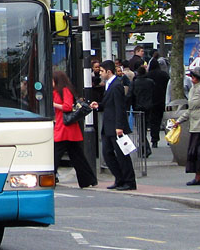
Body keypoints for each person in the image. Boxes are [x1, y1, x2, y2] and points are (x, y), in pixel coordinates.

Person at [89, 60, 136, 191]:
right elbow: (109, 104)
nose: (100, 73)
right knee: (107, 153)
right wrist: (99, 105)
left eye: (102, 71)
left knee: (121, 154)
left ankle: (129, 181)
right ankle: (119, 178)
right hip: (108, 125)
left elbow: (120, 107)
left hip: (115, 126)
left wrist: (119, 126)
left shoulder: (116, 86)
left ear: (108, 72)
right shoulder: (110, 85)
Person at [51, 70, 97, 189]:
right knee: (77, 156)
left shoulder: (64, 91)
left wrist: (54, 105)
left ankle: (51, 176)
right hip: (67, 127)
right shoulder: (59, 91)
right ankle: (88, 180)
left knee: (55, 154)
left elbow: (67, 107)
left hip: (64, 127)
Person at [173, 68, 200, 185]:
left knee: (199, 152)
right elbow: (190, 109)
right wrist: (179, 121)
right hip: (194, 125)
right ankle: (198, 176)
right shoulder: (192, 89)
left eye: (194, 77)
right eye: (191, 77)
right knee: (194, 152)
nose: (192, 79)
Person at [129, 65, 155, 156]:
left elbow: (130, 95)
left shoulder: (134, 83)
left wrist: (130, 105)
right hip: (148, 107)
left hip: (138, 108)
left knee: (140, 129)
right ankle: (145, 148)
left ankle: (144, 148)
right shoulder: (150, 82)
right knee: (143, 129)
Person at [146, 55, 169, 148]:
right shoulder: (164, 75)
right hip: (163, 100)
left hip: (152, 101)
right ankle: (169, 138)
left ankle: (154, 139)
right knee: (166, 120)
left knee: (154, 122)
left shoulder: (148, 75)